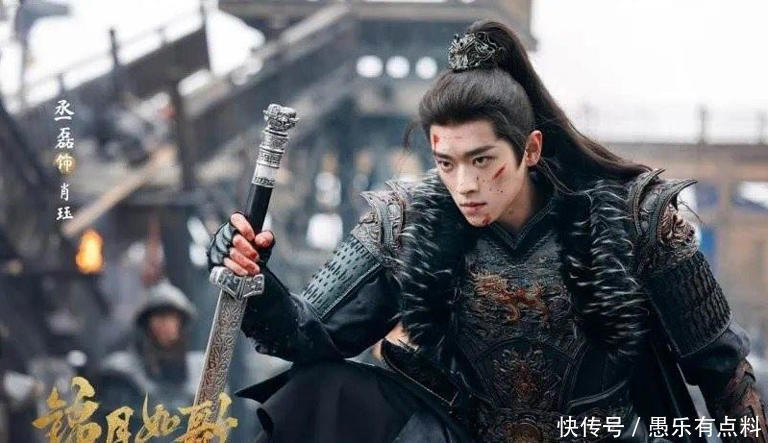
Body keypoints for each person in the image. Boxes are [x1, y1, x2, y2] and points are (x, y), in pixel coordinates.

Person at [207, 20, 767, 443]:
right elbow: (308, 337)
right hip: (465, 434)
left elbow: (723, 368)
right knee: (319, 389)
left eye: (482, 160)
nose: (465, 184)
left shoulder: (635, 218)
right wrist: (255, 278)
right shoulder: (409, 223)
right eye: (446, 163)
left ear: (530, 149)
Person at [95, 280, 203, 431]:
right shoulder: (122, 375)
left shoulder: (200, 373)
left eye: (171, 317)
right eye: (159, 317)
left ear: (181, 324)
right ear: (147, 324)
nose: (165, 324)